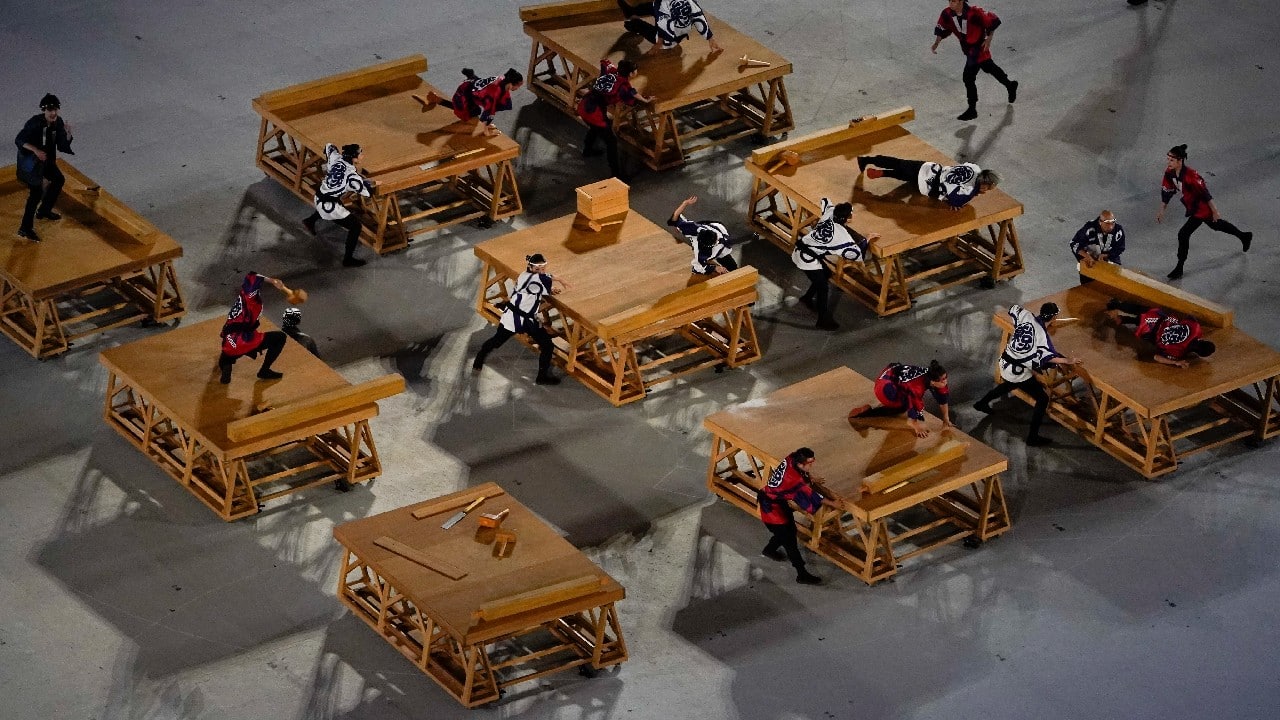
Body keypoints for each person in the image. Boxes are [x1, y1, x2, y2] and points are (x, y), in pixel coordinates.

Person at [973, 302, 1081, 446]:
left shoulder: (1026, 316)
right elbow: (1048, 357)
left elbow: (1013, 309)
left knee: (1009, 385)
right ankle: (1032, 437)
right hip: (1017, 371)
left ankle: (981, 403)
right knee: (1042, 398)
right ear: (1054, 317)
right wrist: (1069, 360)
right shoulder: (1041, 336)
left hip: (1005, 362)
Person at [1157, 144, 1252, 280]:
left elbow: (1205, 194)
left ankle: (1179, 266)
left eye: (1171, 160)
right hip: (1193, 208)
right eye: (1168, 159)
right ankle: (1244, 236)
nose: (1168, 162)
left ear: (1180, 161)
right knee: (1216, 225)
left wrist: (1215, 211)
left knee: (1183, 234)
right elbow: (1166, 191)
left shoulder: (1191, 176)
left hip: (1201, 209)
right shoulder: (1169, 173)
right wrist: (1161, 210)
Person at [473, 253, 569, 385]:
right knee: (497, 341)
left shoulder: (527, 276)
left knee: (547, 345)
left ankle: (542, 376)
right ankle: (480, 355)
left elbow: (537, 285)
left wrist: (550, 288)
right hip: (515, 318)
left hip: (528, 319)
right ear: (530, 267)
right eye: (538, 269)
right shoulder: (533, 279)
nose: (541, 272)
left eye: (543, 269)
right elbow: (540, 281)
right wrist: (559, 279)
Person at [792, 198, 875, 331]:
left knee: (825, 274)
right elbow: (855, 254)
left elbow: (825, 201)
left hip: (802, 248)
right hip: (807, 259)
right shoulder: (842, 236)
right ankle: (822, 319)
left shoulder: (830, 214)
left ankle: (807, 298)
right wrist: (867, 240)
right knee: (823, 288)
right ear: (847, 219)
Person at [931, 0, 1018, 121]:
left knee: (968, 77)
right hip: (968, 49)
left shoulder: (975, 13)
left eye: (954, 1)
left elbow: (992, 21)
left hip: (978, 49)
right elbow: (943, 27)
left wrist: (989, 39)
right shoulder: (947, 13)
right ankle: (1010, 85)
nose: (951, 4)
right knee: (989, 68)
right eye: (949, 0)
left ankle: (972, 109)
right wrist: (937, 42)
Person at [757, 447, 824, 585]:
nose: (811, 466)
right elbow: (813, 496)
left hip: (776, 501)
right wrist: (834, 503)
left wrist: (811, 478)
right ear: (800, 464)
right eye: (809, 464)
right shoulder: (792, 479)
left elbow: (802, 475)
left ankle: (769, 549)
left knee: (791, 530)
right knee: (790, 542)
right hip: (770, 509)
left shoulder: (791, 459)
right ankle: (801, 573)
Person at [577, 59, 652, 181]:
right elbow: (631, 99)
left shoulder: (612, 71)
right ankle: (616, 174)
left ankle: (587, 150)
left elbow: (604, 62)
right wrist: (644, 100)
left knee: (595, 128)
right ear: (631, 74)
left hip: (584, 104)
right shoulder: (623, 87)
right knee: (611, 141)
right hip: (594, 112)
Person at [301, 143, 374, 268]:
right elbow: (367, 193)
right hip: (329, 205)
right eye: (360, 153)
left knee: (335, 203)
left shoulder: (336, 159)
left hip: (319, 196)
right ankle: (348, 259)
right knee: (355, 226)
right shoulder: (352, 176)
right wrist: (368, 183)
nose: (363, 155)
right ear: (354, 158)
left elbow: (329, 147)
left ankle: (309, 221)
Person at [14, 93, 74, 242]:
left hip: (46, 161)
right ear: (44, 110)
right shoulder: (34, 123)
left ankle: (44, 210)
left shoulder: (57, 122)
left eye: (55, 109)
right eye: (50, 110)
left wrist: (67, 135)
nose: (53, 113)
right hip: (32, 163)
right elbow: (19, 140)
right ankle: (25, 228)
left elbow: (61, 146)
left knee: (59, 179)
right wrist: (35, 150)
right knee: (36, 193)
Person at [218, 272, 291, 384]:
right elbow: (254, 278)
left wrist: (272, 281)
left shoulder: (244, 294)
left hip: (228, 337)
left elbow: (252, 275)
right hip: (244, 340)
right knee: (280, 337)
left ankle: (226, 364)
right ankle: (264, 371)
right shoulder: (251, 299)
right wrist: (272, 281)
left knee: (229, 351)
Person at [848, 361, 953, 439]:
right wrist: (916, 426)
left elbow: (942, 398)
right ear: (933, 382)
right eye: (942, 380)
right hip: (884, 387)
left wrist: (946, 418)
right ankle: (867, 413)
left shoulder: (932, 375)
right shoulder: (916, 387)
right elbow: (912, 407)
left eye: (945, 378)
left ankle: (895, 399)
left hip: (892, 371)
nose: (945, 381)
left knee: (906, 397)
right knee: (902, 407)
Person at [857, 155, 1000, 210]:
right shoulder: (969, 190)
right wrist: (973, 193)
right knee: (905, 175)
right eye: (987, 189)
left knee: (899, 164)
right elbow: (955, 201)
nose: (985, 192)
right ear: (983, 184)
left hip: (929, 168)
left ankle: (870, 162)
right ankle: (881, 172)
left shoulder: (974, 168)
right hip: (927, 186)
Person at [1105, 300, 1215, 368]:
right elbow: (1156, 357)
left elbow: (1189, 316)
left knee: (1139, 310)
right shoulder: (1178, 353)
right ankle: (1123, 320)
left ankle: (1116, 305)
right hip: (1149, 332)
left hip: (1159, 318)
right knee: (1141, 323)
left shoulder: (1196, 328)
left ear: (1203, 340)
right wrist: (1174, 363)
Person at [422, 68, 522, 137]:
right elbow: (489, 111)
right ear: (511, 84)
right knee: (470, 113)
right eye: (518, 86)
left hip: (472, 90)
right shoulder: (495, 92)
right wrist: (486, 131)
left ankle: (436, 99)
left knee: (475, 111)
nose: (518, 88)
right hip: (465, 92)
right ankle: (436, 99)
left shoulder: (503, 80)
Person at [617, 0, 723, 55]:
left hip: (668, 40)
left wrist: (657, 46)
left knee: (637, 24)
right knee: (652, 6)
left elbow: (665, 27)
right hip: (676, 31)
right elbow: (699, 17)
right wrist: (710, 38)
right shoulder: (690, 1)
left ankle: (633, 23)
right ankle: (630, 12)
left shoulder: (662, 5)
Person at [667, 196, 738, 275]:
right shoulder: (700, 252)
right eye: (716, 242)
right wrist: (715, 268)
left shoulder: (696, 228)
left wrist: (685, 203)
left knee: (733, 267)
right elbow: (697, 267)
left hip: (711, 225)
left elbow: (675, 216)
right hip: (709, 249)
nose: (718, 241)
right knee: (709, 262)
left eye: (717, 240)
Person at [1070, 210, 1126, 284]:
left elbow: (1120, 248)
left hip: (1109, 260)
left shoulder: (1118, 230)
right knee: (1088, 285)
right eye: (1107, 223)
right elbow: (1074, 243)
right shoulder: (1089, 228)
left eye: (1113, 222)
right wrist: (1087, 256)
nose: (1111, 227)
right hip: (1090, 261)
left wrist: (1107, 255)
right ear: (1100, 222)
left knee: (1113, 281)